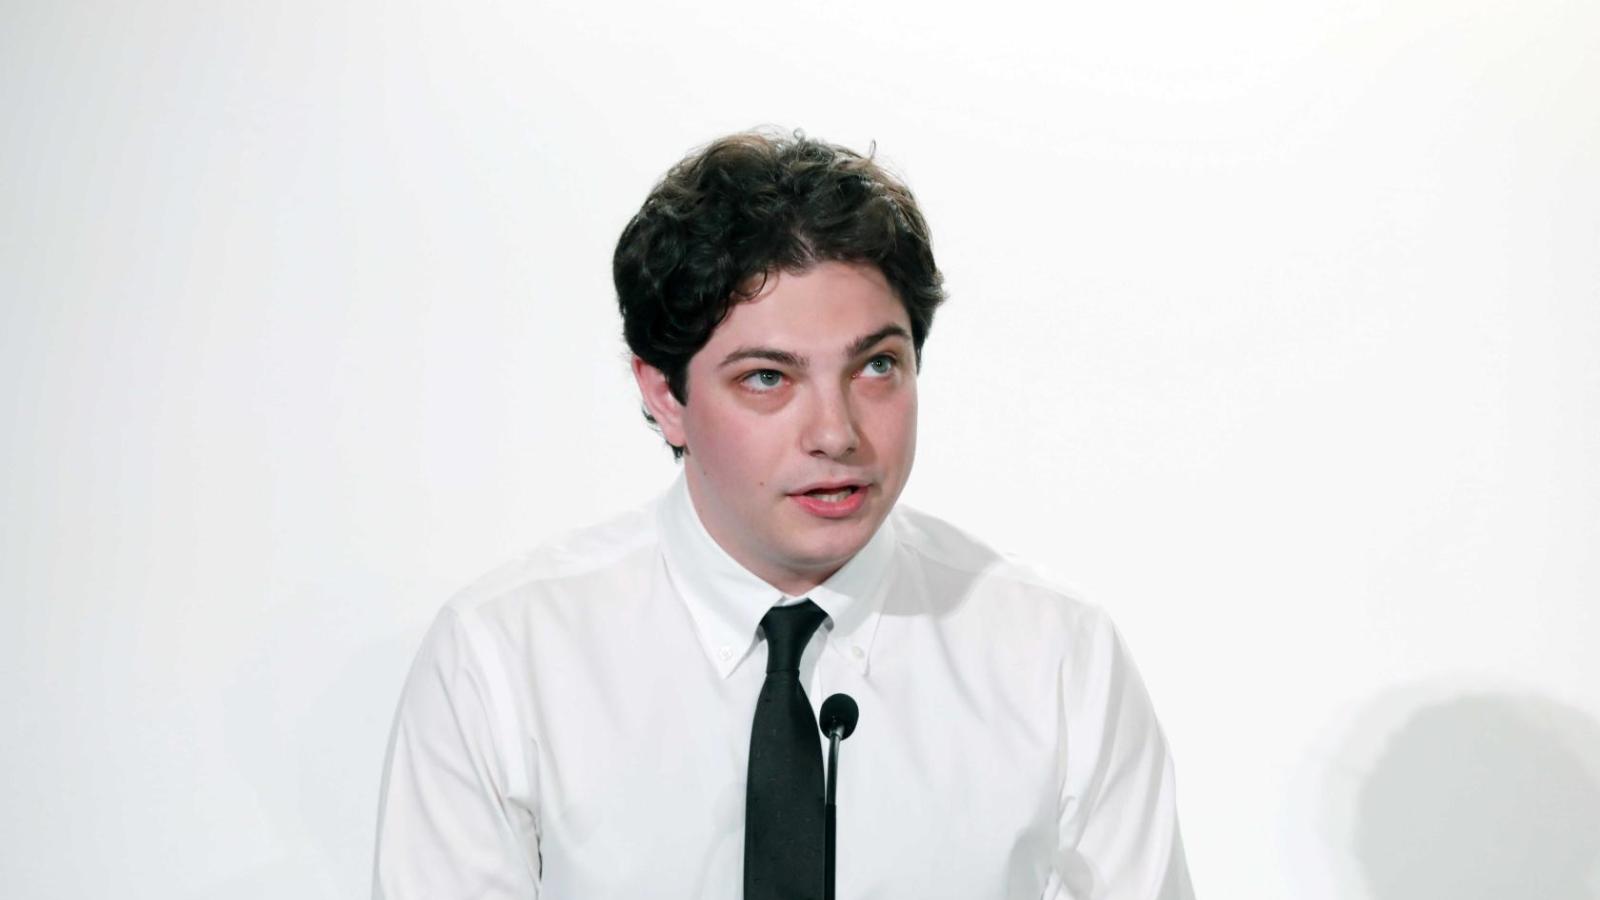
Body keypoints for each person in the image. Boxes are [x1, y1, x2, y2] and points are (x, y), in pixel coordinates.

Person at [372, 129, 1194, 899]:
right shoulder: (505, 657)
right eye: (768, 377)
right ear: (665, 396)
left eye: (877, 366)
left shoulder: (1057, 655)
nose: (836, 433)